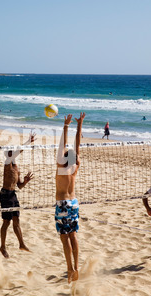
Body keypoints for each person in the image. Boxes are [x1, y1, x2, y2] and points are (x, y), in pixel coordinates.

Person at [55, 112, 85, 283]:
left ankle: (69, 269)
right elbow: (77, 145)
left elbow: (63, 145)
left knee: (65, 237)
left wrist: (65, 125)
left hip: (63, 204)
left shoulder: (61, 166)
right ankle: (77, 266)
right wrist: (79, 124)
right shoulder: (75, 165)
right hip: (74, 203)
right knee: (74, 236)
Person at [0, 132, 36, 258]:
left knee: (17, 220)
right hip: (5, 194)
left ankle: (21, 244)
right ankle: (2, 246)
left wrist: (25, 181)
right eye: (9, 152)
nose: (11, 153)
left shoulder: (16, 167)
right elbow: (18, 152)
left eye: (11, 151)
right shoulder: (7, 162)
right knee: (6, 222)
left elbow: (19, 186)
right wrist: (28, 142)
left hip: (13, 194)